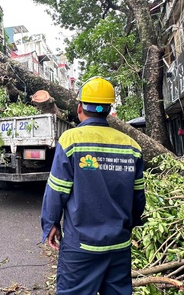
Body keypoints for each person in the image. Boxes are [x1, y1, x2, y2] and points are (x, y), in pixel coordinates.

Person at [41, 77, 146, 295]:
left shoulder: (71, 140)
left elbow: (57, 190)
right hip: (118, 245)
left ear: (80, 108)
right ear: (108, 109)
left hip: (81, 247)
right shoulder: (132, 146)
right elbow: (138, 198)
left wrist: (50, 223)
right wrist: (129, 225)